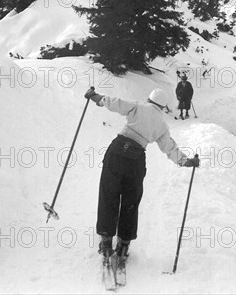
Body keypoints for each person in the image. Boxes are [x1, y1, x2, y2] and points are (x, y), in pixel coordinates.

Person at [84, 86, 200, 259]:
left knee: (109, 195)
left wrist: (95, 97)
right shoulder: (161, 125)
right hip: (135, 160)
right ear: (162, 107)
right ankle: (123, 245)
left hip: (116, 152)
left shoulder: (139, 106)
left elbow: (115, 103)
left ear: (149, 99)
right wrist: (187, 162)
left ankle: (106, 241)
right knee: (131, 201)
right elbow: (169, 147)